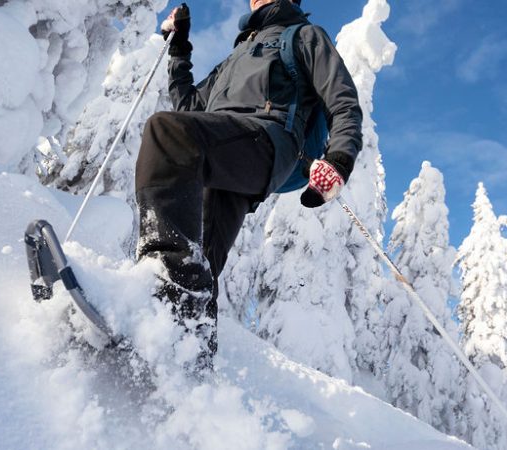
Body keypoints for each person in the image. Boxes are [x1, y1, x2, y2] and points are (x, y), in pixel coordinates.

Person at [135, 0, 363, 370]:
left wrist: (339, 159)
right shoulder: (235, 58)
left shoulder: (303, 36)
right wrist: (179, 48)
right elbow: (190, 105)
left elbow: (343, 101)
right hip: (223, 150)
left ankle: (159, 291)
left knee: (165, 132)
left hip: (267, 140)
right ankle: (185, 358)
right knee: (201, 259)